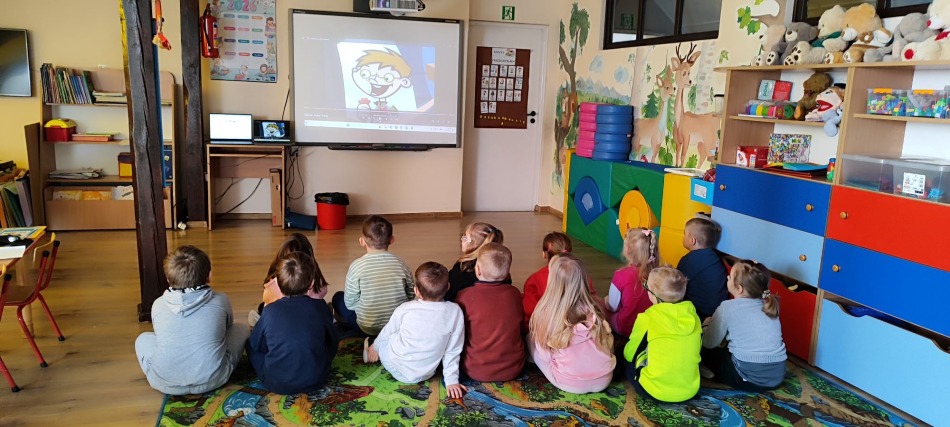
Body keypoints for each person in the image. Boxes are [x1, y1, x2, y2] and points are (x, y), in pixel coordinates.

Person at [135, 245, 249, 395]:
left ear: (168, 278)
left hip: (164, 383)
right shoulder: (221, 300)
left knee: (142, 339)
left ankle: (160, 368)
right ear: (209, 276)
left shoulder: (158, 304)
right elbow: (228, 327)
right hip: (213, 379)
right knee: (241, 328)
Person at [364, 262, 467, 398]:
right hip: (426, 373)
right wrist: (451, 380)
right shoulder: (455, 312)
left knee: (391, 334)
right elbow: (453, 349)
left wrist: (375, 347)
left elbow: (386, 333)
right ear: (448, 287)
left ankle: (371, 351)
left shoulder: (405, 308)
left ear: (416, 291)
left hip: (394, 366)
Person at [247, 252, 338, 395]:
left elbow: (257, 344)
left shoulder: (270, 311)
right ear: (312, 283)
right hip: (317, 379)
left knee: (250, 345)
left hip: (277, 383)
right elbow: (333, 339)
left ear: (278, 284)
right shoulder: (319, 306)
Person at [527, 253, 616, 394]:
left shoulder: (547, 313)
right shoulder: (595, 307)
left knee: (530, 339)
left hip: (569, 382)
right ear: (584, 281)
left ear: (552, 283)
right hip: (604, 379)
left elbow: (545, 356)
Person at [702, 260, 787, 392]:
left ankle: (710, 373)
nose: (727, 277)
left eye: (730, 277)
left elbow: (708, 343)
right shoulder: (768, 305)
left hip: (749, 380)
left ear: (739, 288)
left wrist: (706, 325)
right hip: (776, 377)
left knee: (704, 348)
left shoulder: (727, 307)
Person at [623, 267, 701, 403]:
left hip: (654, 390)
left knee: (625, 359)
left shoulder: (647, 318)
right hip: (690, 390)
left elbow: (630, 354)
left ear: (653, 295)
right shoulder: (694, 316)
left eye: (646, 286)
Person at [332, 215, 414, 337]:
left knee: (338, 297)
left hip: (367, 328)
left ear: (362, 241)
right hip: (397, 326)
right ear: (392, 240)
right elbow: (411, 296)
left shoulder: (356, 266)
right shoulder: (401, 264)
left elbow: (350, 304)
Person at [455, 243, 525, 382]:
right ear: (507, 273)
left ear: (478, 270)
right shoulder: (515, 294)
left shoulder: (465, 296)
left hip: (475, 369)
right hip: (514, 368)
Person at [249, 233, 330, 327]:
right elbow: (323, 289)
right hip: (308, 322)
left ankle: (259, 321)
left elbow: (268, 302)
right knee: (322, 306)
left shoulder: (272, 286)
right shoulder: (316, 283)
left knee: (265, 308)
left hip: (279, 324)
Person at [605, 228, 659, 338]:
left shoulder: (621, 275)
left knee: (600, 304)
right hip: (649, 328)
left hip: (626, 328)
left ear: (628, 250)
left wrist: (605, 301)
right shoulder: (660, 274)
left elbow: (612, 307)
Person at [677, 217, 728, 321]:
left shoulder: (689, 260)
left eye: (684, 234)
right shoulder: (715, 257)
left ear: (692, 240)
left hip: (701, 313)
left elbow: (676, 282)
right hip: (718, 312)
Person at [445, 222, 505, 302]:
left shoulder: (462, 269)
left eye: (465, 237)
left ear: (475, 245)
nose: (462, 239)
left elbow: (448, 295)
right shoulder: (499, 269)